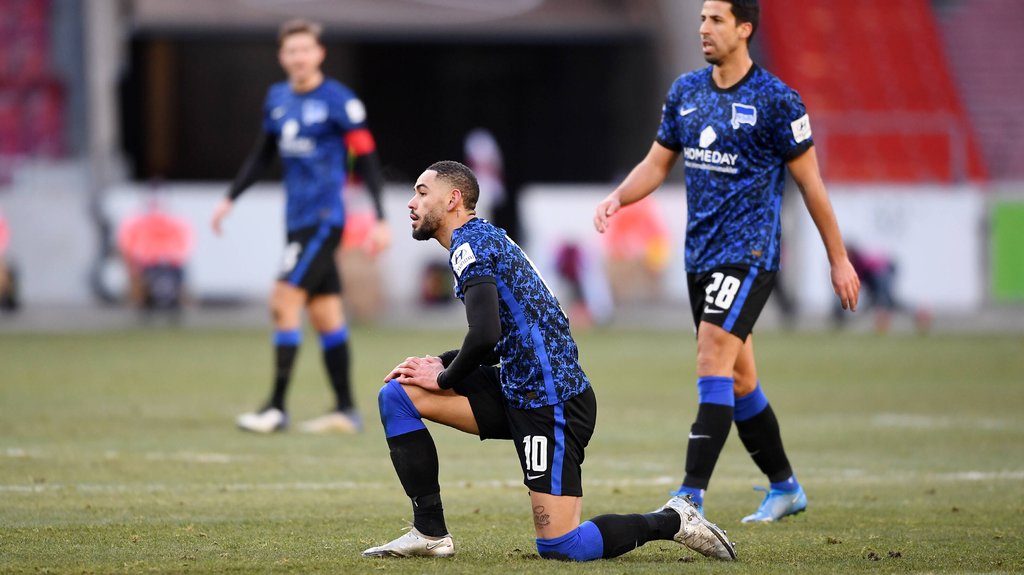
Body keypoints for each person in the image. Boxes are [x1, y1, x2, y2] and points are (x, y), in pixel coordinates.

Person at [361, 161, 736, 561]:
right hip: (517, 387)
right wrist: (440, 363)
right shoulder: (480, 240)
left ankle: (674, 519)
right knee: (399, 394)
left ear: (453, 199)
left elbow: (485, 333)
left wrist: (445, 376)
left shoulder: (471, 245)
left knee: (561, 546)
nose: (411, 202)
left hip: (551, 401)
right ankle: (429, 532)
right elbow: (503, 335)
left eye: (421, 192)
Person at [593, 0, 860, 523]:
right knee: (739, 382)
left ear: (745, 28)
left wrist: (839, 260)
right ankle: (785, 487)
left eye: (715, 19)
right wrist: (620, 198)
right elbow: (656, 162)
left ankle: (689, 497)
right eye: (700, 19)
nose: (704, 29)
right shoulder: (686, 92)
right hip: (701, 256)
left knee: (711, 357)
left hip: (748, 254)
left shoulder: (778, 101)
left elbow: (812, 185)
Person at [211, 19, 390, 434]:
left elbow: (366, 158)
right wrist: (229, 198)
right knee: (326, 315)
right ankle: (346, 410)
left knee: (282, 301)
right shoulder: (277, 99)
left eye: (306, 49)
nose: (299, 57)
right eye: (291, 51)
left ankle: (275, 407)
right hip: (295, 223)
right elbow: (262, 155)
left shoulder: (339, 101)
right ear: (282, 57)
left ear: (319, 53)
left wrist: (381, 218)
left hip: (324, 221)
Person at [834, 244, 931, 334]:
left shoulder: (859, 262)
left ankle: (919, 314)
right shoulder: (859, 262)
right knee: (883, 302)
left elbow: (863, 279)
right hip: (878, 275)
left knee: (885, 301)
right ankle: (919, 314)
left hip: (882, 274)